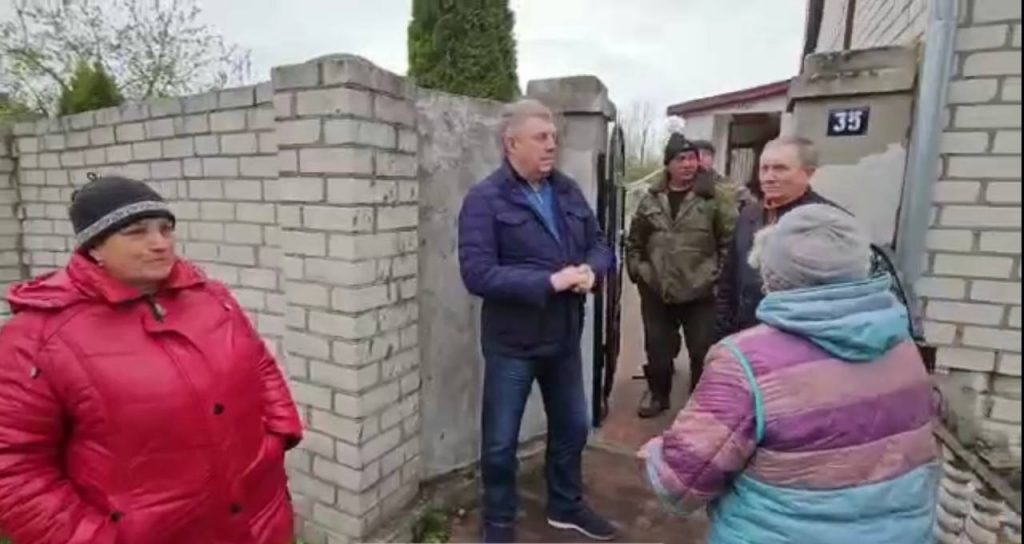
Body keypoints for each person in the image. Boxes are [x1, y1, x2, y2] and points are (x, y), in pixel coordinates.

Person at [0, 176, 302, 544]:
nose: (160, 243)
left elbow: (259, 363)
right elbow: (14, 467)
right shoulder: (38, 337)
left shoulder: (212, 297)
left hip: (260, 522)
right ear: (94, 247)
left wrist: (279, 435)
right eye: (136, 232)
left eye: (165, 229)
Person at [640, 204, 939, 543]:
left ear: (772, 275)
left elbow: (681, 484)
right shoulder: (901, 345)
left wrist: (656, 453)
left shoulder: (745, 361)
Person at [458, 99, 616, 543]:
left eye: (553, 138)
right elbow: (477, 273)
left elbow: (600, 243)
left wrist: (592, 270)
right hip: (513, 344)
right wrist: (549, 282)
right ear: (511, 143)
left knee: (573, 428)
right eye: (541, 138)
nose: (551, 146)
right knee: (500, 443)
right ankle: (499, 522)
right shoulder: (485, 200)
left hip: (563, 337)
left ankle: (566, 506)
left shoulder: (566, 190)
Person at [625, 133, 737, 418]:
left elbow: (728, 243)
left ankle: (699, 404)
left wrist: (716, 280)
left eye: (692, 158)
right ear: (668, 164)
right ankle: (657, 394)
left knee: (701, 351)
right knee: (658, 350)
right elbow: (635, 240)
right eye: (680, 159)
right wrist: (638, 271)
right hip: (657, 289)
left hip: (701, 290)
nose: (688, 164)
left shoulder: (713, 198)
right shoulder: (651, 199)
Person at [714, 136, 837, 340]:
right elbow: (729, 280)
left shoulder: (828, 222)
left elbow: (834, 297)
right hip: (744, 334)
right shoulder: (748, 214)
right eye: (764, 168)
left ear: (808, 173)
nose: (768, 177)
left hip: (795, 340)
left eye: (780, 168)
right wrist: (721, 335)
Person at [692, 139, 755, 209]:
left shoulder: (724, 184)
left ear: (713, 159)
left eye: (706, 154)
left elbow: (749, 201)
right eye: (696, 154)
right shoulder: (684, 183)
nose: (701, 158)